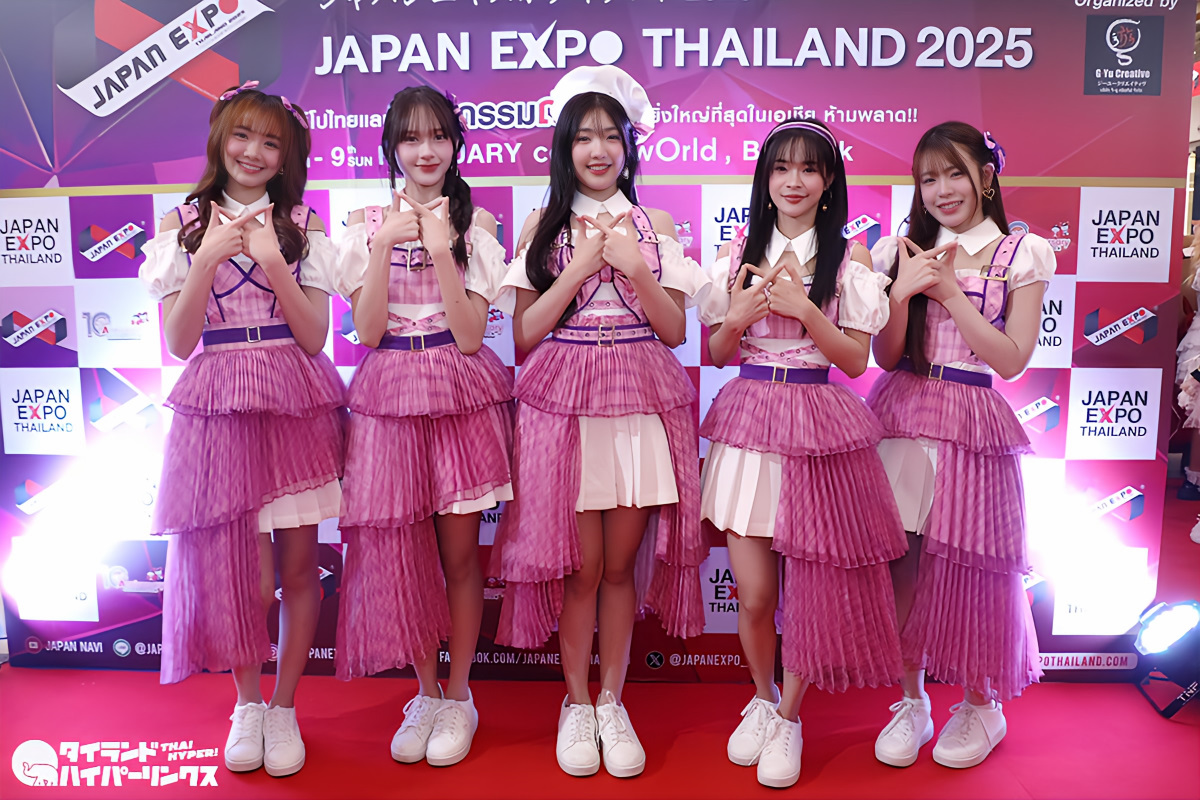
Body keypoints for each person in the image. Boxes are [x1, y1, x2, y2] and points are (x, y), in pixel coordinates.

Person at [489, 65, 710, 778]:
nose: (598, 149)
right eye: (584, 136)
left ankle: (613, 701)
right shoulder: (542, 226)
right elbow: (524, 336)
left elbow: (675, 330)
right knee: (581, 570)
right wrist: (579, 264)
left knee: (619, 568)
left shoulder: (655, 225)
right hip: (566, 402)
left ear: (629, 146)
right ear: (565, 146)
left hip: (640, 398)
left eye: (611, 136)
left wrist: (636, 269)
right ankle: (577, 703)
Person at [139, 81, 346, 778]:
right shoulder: (181, 224)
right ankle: (247, 704)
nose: (254, 152)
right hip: (220, 405)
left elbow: (314, 337)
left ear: (287, 155)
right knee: (246, 580)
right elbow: (178, 342)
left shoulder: (303, 223)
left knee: (299, 569)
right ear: (219, 139)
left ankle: (285, 707)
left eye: (271, 142)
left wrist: (271, 260)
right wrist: (204, 257)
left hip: (292, 399)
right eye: (242, 135)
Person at [698, 118, 906, 788]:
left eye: (809, 168)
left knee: (812, 595)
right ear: (765, 178)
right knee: (755, 595)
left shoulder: (852, 258)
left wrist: (804, 307)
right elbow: (717, 352)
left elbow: (855, 359)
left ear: (829, 180)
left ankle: (789, 716)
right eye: (781, 167)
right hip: (749, 420)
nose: (794, 181)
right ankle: (762, 698)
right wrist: (738, 315)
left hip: (818, 424)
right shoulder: (735, 252)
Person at [332, 85, 513, 767]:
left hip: (457, 390)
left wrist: (441, 250)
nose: (426, 150)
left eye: (438, 135)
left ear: (456, 143)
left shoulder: (478, 224)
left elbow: (470, 337)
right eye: (411, 138)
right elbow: (368, 331)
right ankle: (426, 692)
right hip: (389, 396)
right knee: (406, 558)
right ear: (391, 148)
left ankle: (460, 696)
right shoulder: (362, 224)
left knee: (460, 558)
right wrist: (382, 245)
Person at [868, 122, 1053, 769]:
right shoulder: (902, 249)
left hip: (973, 417)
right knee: (903, 565)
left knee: (976, 569)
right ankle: (911, 699)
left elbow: (1012, 358)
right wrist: (901, 290)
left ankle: (981, 704)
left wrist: (949, 292)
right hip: (903, 410)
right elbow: (886, 354)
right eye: (928, 178)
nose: (942, 190)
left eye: (954, 173)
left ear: (986, 176)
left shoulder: (1021, 252)